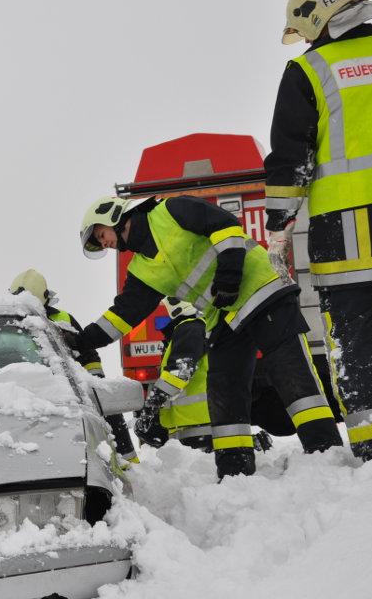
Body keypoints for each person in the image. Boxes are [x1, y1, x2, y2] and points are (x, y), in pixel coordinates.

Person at [76, 194, 342, 479]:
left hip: (262, 291)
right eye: (99, 243)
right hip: (223, 317)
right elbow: (123, 314)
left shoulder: (170, 210)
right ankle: (234, 472)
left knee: (290, 373)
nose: (104, 243)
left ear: (113, 216)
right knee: (224, 389)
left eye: (101, 235)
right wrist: (80, 342)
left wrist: (230, 274)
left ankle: (325, 453)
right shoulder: (141, 269)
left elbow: (225, 226)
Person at [265, 0, 372, 463]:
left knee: (356, 348)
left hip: (347, 239)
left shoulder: (309, 72)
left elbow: (291, 160)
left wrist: (279, 228)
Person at [9, 269, 138, 465]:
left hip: (67, 390)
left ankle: (130, 465)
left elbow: (87, 351)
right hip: (26, 394)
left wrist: (96, 382)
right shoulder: (8, 322)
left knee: (110, 414)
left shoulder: (62, 318)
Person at [135, 297, 278, 452]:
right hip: (207, 425)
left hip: (199, 428)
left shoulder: (191, 328)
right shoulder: (206, 328)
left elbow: (180, 371)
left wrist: (150, 407)